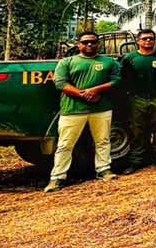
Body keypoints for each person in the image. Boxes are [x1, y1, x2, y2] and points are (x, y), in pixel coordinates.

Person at [44, 31, 121, 192]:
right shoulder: (67, 62)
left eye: (93, 42)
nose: (89, 45)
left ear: (98, 44)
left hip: (101, 108)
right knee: (65, 144)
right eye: (85, 42)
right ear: (78, 44)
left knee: (103, 141)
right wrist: (84, 94)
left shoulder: (109, 62)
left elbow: (116, 80)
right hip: (73, 109)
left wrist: (96, 90)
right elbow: (61, 84)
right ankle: (57, 177)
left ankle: (104, 170)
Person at [119, 29, 156, 175]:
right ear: (138, 41)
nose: (148, 41)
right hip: (137, 99)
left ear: (154, 40)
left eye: (150, 38)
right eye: (144, 39)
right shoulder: (129, 58)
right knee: (137, 131)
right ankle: (136, 161)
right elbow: (123, 80)